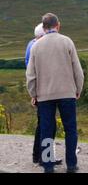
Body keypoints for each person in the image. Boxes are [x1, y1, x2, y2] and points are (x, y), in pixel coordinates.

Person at [26, 13, 84, 173]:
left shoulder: (36, 46)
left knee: (46, 129)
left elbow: (31, 75)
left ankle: (48, 166)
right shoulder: (67, 42)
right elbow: (78, 71)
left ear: (44, 28)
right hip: (67, 93)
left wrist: (33, 94)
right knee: (70, 129)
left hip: (44, 96)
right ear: (58, 25)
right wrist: (77, 89)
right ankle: (71, 165)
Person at [25, 23, 62, 166]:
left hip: (38, 91)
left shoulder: (31, 45)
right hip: (43, 92)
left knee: (43, 124)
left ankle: (38, 155)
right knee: (48, 125)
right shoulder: (36, 47)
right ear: (41, 35)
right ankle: (44, 158)